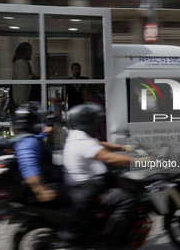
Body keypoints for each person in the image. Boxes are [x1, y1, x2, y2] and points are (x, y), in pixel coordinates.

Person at [63, 103, 140, 249]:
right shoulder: (82, 141)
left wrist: (125, 147)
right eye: (94, 121)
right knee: (127, 198)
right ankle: (111, 241)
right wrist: (143, 161)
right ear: (86, 122)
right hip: (86, 190)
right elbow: (110, 158)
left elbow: (99, 144)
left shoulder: (76, 135)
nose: (96, 124)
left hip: (83, 187)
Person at [13, 101, 58, 202]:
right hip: (49, 187)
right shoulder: (28, 142)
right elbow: (28, 166)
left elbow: (36, 138)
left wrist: (45, 133)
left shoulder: (26, 138)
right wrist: (41, 191)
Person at [10, 42, 38, 114]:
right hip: (21, 96)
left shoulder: (24, 62)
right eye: (29, 50)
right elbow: (22, 78)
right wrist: (32, 76)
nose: (31, 53)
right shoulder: (20, 62)